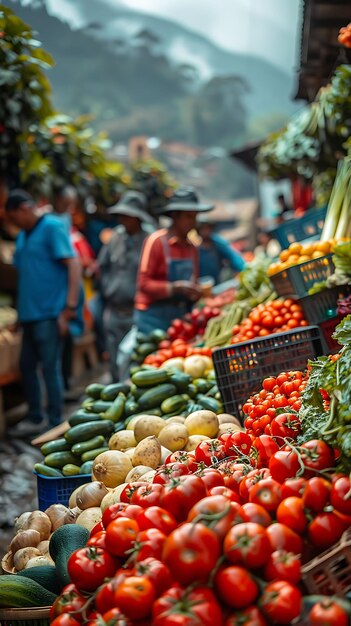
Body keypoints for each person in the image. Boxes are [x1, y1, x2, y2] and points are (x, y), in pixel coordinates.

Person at [5, 190, 81, 434]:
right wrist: (19, 315)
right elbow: (26, 276)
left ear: (24, 208)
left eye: (15, 217)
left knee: (50, 367)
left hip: (50, 314)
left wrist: (68, 308)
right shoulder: (22, 236)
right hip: (29, 315)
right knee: (27, 367)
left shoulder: (51, 227)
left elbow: (74, 264)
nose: (14, 223)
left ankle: (54, 420)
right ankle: (36, 416)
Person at [134, 187, 213, 334]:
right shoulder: (156, 242)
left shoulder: (192, 247)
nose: (193, 222)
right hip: (153, 317)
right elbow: (143, 284)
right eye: (189, 217)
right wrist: (175, 288)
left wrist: (196, 293)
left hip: (179, 316)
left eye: (195, 217)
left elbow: (193, 281)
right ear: (175, 216)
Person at [97, 191, 154, 381]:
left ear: (137, 217)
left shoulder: (149, 240)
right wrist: (107, 288)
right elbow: (103, 265)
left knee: (135, 362)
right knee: (114, 360)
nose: (122, 220)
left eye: (127, 216)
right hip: (114, 310)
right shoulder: (115, 238)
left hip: (138, 312)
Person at [197, 215, 246, 284]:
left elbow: (232, 257)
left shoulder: (217, 244)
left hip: (216, 283)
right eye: (203, 229)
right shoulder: (195, 247)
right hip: (200, 283)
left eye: (208, 228)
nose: (206, 231)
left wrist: (244, 270)